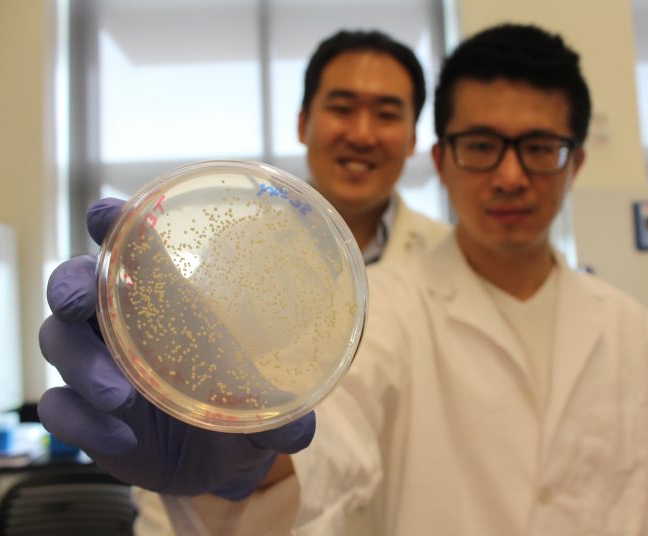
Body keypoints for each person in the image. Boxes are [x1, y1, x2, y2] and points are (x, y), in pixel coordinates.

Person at [38, 23, 648, 535]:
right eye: (481, 146)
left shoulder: (628, 325)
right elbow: (337, 435)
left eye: (539, 148)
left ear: (575, 160)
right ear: (442, 159)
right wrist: (234, 463)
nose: (509, 176)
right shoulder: (387, 302)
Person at [129, 29, 450, 535]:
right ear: (304, 123)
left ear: (413, 138)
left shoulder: (446, 261)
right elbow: (191, 404)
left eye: (387, 114)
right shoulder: (233, 251)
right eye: (342, 107)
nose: (363, 133)